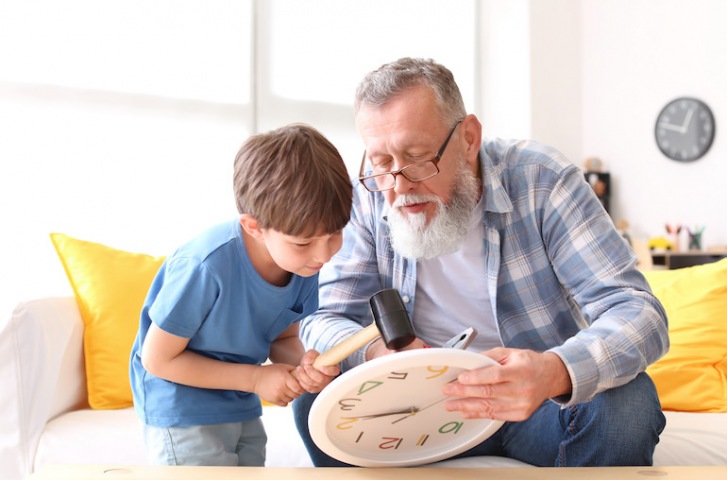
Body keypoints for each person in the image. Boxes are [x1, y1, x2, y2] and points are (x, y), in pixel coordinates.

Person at [293, 58, 669, 467]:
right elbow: (325, 320)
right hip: (415, 406)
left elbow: (638, 311)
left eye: (417, 157)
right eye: (381, 163)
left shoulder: (542, 179)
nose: (399, 186)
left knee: (628, 404)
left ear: (468, 138)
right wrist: (374, 355)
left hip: (538, 405)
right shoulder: (366, 197)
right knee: (314, 403)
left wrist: (554, 370)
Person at [129, 124, 352, 466]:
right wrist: (255, 378)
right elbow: (157, 359)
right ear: (254, 227)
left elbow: (283, 336)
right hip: (182, 409)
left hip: (240, 401)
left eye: (335, 234)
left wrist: (302, 364)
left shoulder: (302, 264)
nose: (324, 255)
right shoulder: (206, 266)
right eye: (304, 242)